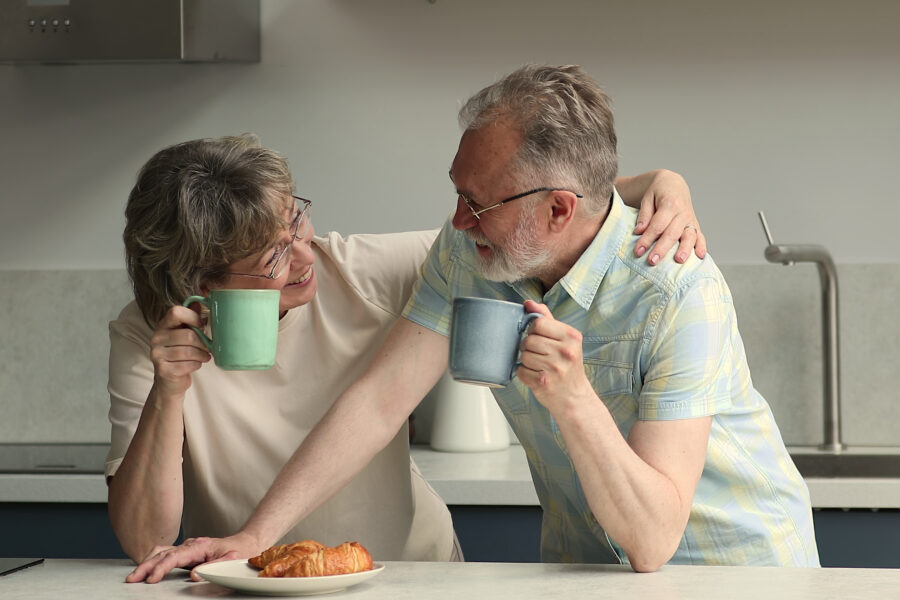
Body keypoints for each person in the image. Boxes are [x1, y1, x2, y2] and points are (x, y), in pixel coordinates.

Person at [108, 133, 705, 581]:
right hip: (253, 579)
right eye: (270, 258)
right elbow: (145, 539)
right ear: (200, 281)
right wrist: (169, 392)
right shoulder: (151, 337)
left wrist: (663, 182)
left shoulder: (361, 271)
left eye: (295, 221)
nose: (303, 257)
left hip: (409, 573)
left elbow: (529, 218)